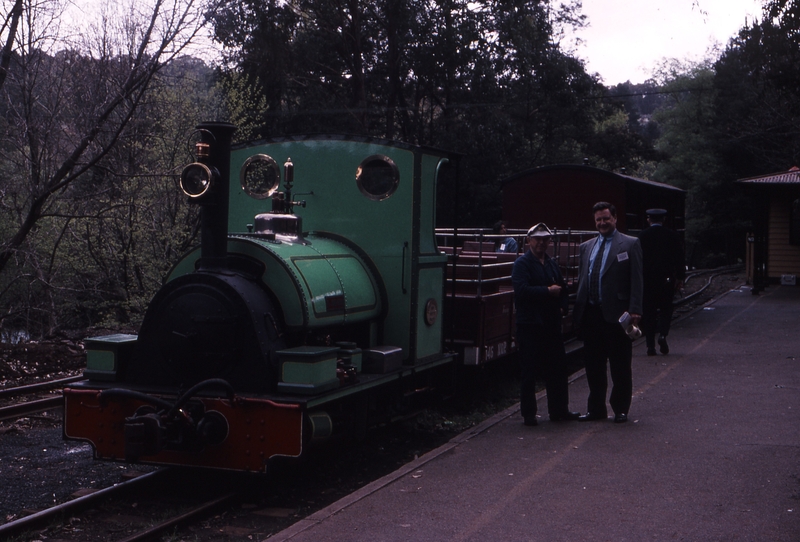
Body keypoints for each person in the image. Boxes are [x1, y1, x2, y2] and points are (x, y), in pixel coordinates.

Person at [573, 202, 643, 424]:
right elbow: (583, 279)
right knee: (593, 366)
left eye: (606, 218)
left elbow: (637, 280)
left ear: (615, 219)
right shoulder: (586, 247)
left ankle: (620, 409)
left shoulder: (630, 244)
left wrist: (635, 309)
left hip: (618, 315)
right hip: (592, 314)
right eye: (598, 220)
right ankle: (596, 409)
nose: (602, 223)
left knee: (620, 365)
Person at [511, 223, 581, 426]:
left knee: (557, 369)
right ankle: (529, 414)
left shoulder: (551, 263)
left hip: (551, 324)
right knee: (529, 371)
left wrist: (562, 308)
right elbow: (522, 291)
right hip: (530, 325)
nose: (541, 243)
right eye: (537, 239)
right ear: (529, 241)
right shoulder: (521, 264)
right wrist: (547, 291)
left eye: (545, 239)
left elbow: (564, 289)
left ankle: (559, 410)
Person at [638, 208, 685, 356]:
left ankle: (650, 346)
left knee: (648, 312)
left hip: (647, 280)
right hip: (666, 279)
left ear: (648, 220)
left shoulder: (641, 236)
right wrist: (680, 277)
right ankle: (663, 334)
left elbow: (637, 259)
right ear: (663, 220)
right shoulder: (672, 236)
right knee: (666, 308)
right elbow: (679, 257)